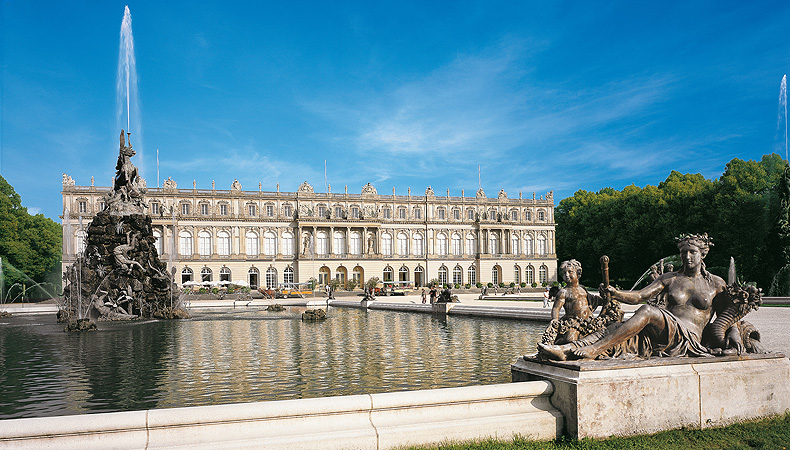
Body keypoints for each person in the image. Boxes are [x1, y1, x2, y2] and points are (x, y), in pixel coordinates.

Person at [539, 233, 730, 361]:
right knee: (615, 327)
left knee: (648, 311)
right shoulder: (670, 278)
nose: (687, 256)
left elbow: (727, 319)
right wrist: (616, 293)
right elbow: (639, 296)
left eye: (692, 252)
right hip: (665, 332)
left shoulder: (716, 283)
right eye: (683, 252)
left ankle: (594, 350)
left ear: (703, 254)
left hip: (689, 337)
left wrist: (735, 339)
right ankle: (567, 350)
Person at [545, 259, 607, 344]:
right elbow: (556, 308)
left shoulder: (582, 289)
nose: (566, 275)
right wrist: (555, 320)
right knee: (570, 339)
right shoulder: (564, 292)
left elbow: (594, 300)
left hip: (588, 321)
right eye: (564, 273)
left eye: (570, 272)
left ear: (578, 273)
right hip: (573, 322)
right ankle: (556, 344)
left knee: (605, 334)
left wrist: (606, 297)